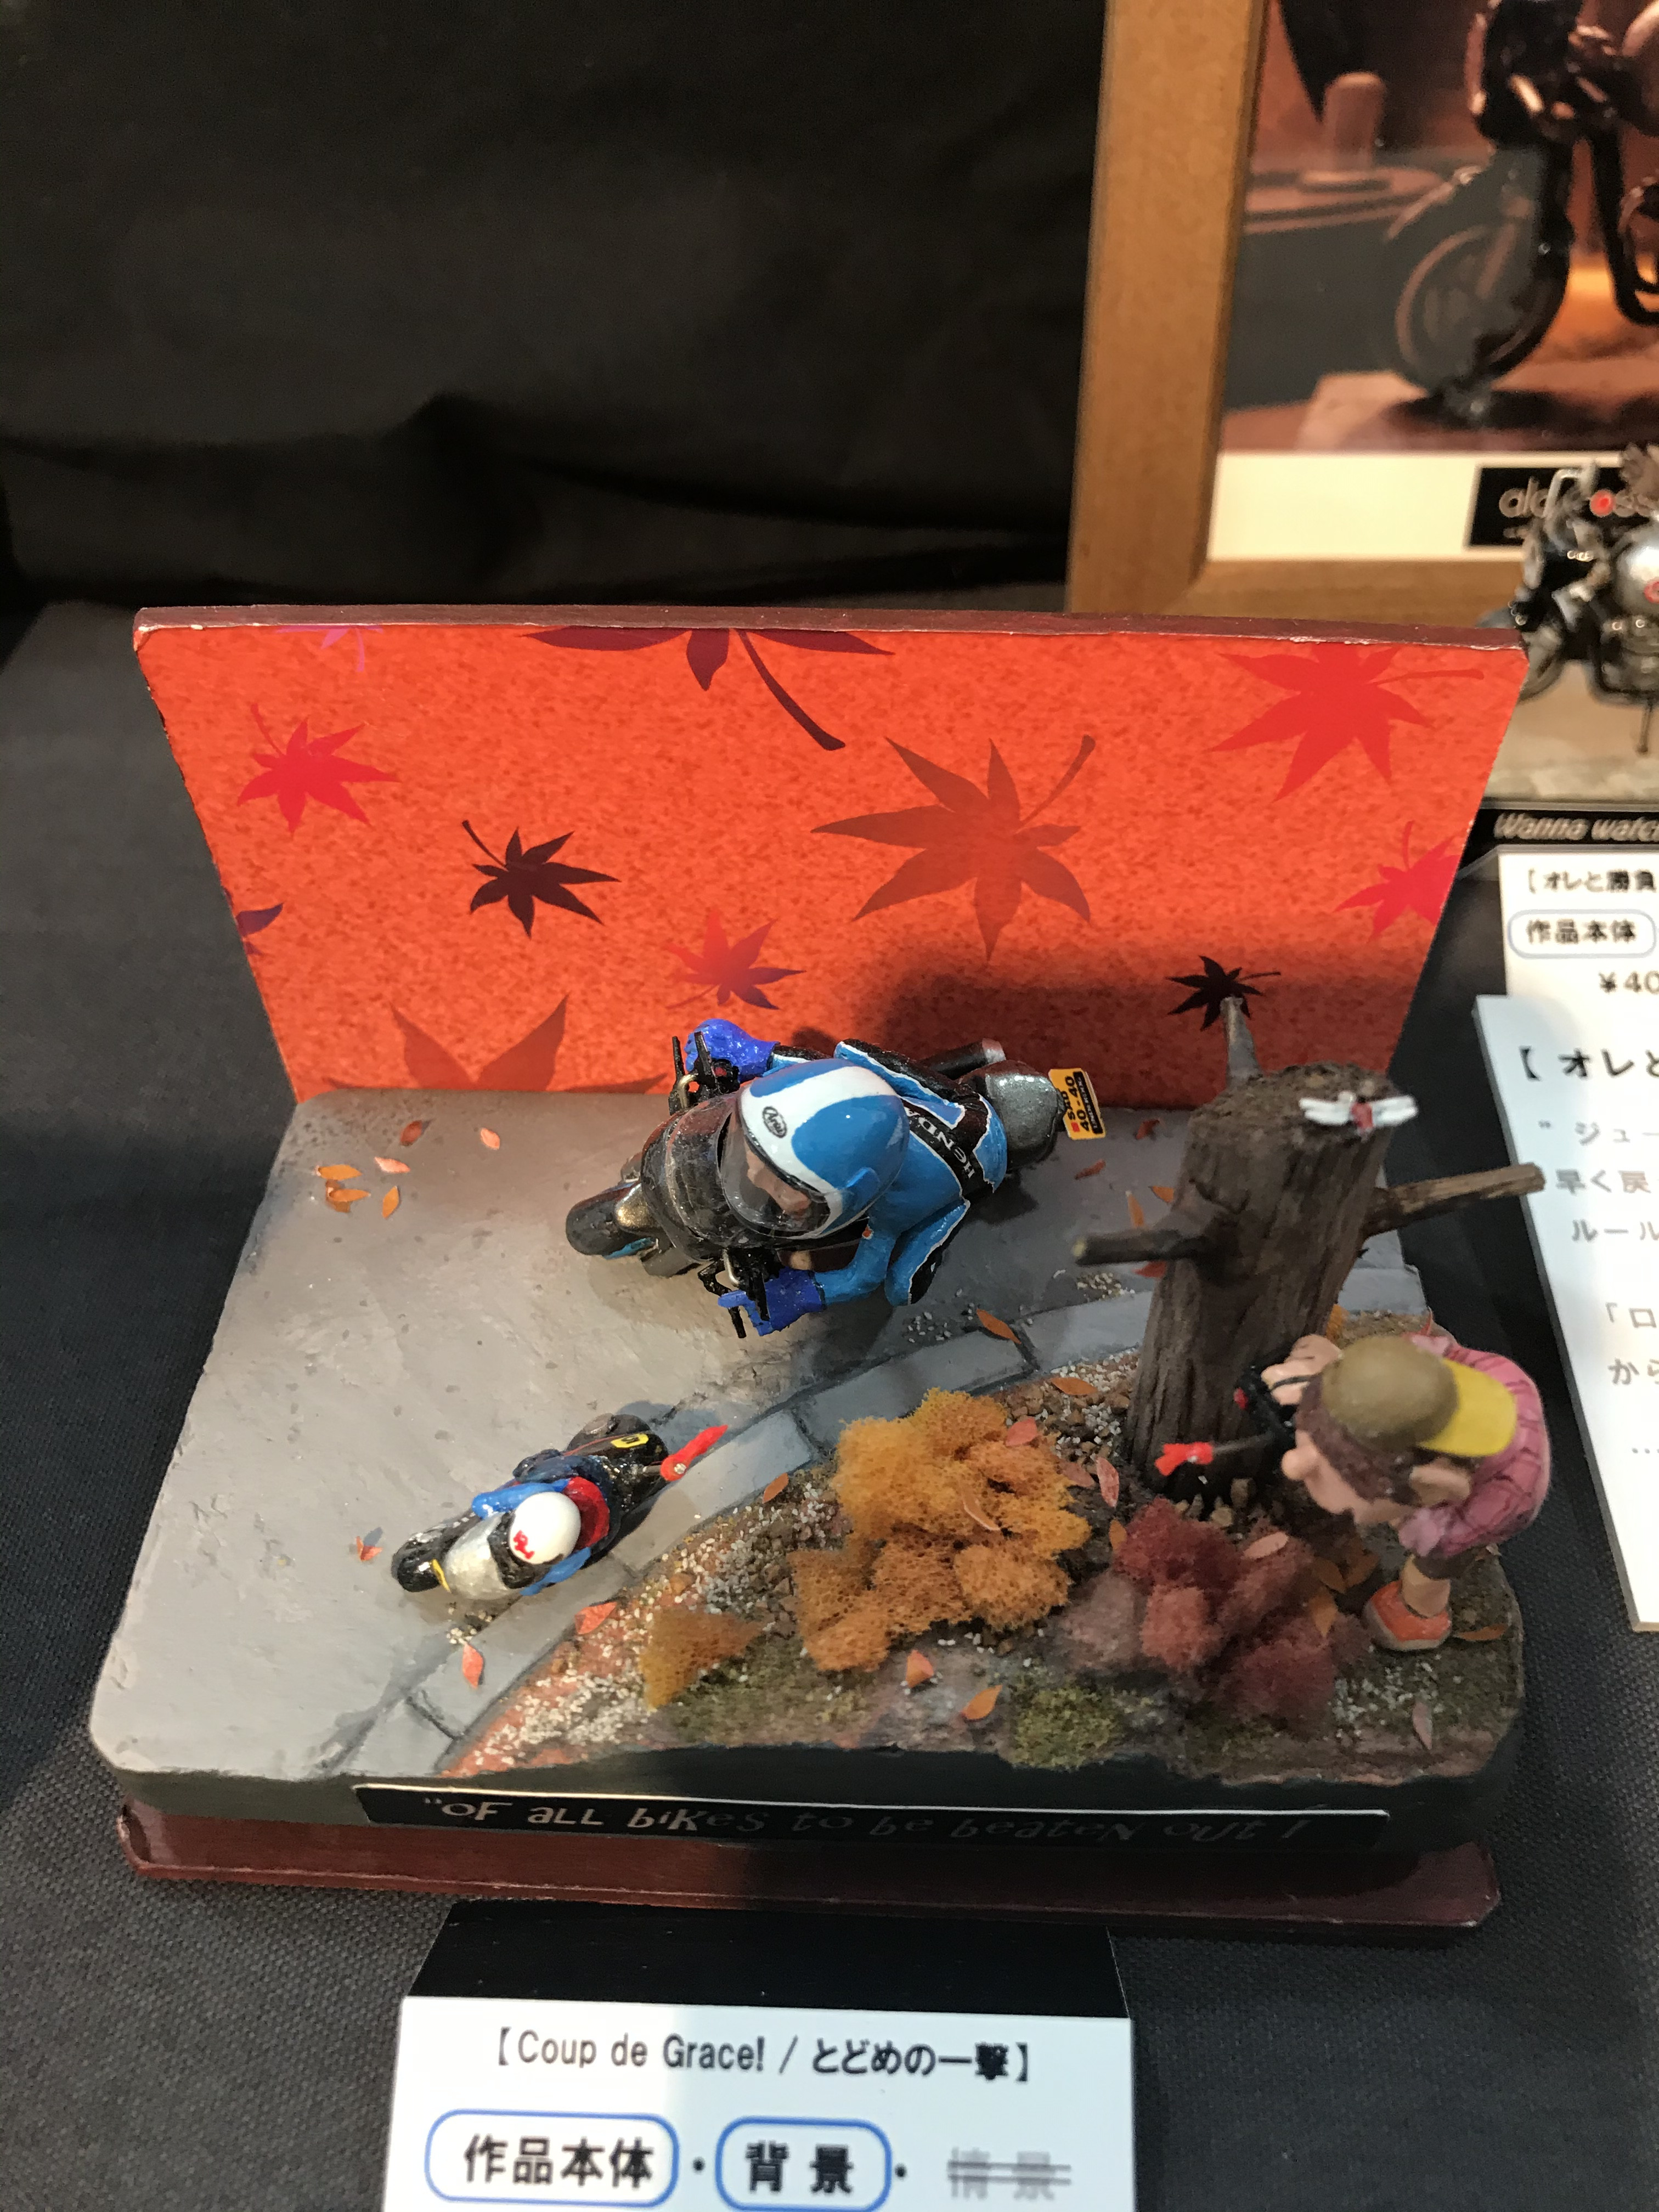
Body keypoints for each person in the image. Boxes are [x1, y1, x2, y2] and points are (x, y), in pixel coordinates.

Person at [681, 1018, 1019, 1337]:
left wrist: (802, 1294)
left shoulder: (892, 1215)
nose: (753, 1176)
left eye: (784, 1185)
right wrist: (756, 1054)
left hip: (977, 1175)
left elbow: (862, 1277)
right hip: (965, 1110)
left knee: (902, 1287)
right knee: (851, 1056)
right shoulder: (859, 1087)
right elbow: (820, 1071)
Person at [1262, 1329, 1549, 1652]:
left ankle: (1422, 1611)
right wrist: (1342, 1374)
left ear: (1430, 1488)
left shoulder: (1494, 1502)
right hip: (1487, 1385)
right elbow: (1405, 1365)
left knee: (1432, 1567)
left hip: (1491, 1503)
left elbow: (1436, 1536)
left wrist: (1408, 1521)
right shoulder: (1422, 1373)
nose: (1293, 1465)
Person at [391, 1419, 667, 1604]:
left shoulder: (541, 1495)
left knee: (537, 1468)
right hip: (599, 1506)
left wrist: (486, 1512)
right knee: (545, 1470)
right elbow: (554, 1572)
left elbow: (486, 1503)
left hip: (590, 1489)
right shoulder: (551, 1518)